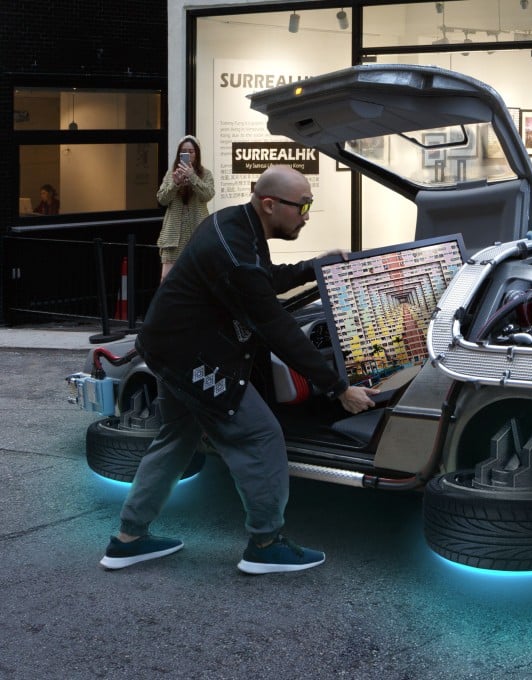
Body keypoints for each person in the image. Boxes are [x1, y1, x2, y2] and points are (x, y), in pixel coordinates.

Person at [100, 164, 379, 575]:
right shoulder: (234, 249)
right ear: (270, 204)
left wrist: (315, 266)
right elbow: (277, 326)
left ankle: (128, 539)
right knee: (261, 436)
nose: (306, 214)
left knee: (176, 437)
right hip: (192, 360)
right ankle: (265, 544)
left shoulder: (237, 225)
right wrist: (338, 387)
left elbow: (265, 280)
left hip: (168, 350)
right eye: (303, 205)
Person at [156, 135, 215, 282]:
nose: (188, 155)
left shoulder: (205, 174)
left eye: (191, 151)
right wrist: (175, 184)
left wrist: (193, 177)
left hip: (197, 232)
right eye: (184, 152)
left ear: (197, 154)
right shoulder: (171, 174)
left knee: (196, 277)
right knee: (167, 278)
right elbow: (161, 199)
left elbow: (207, 195)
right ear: (179, 154)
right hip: (173, 236)